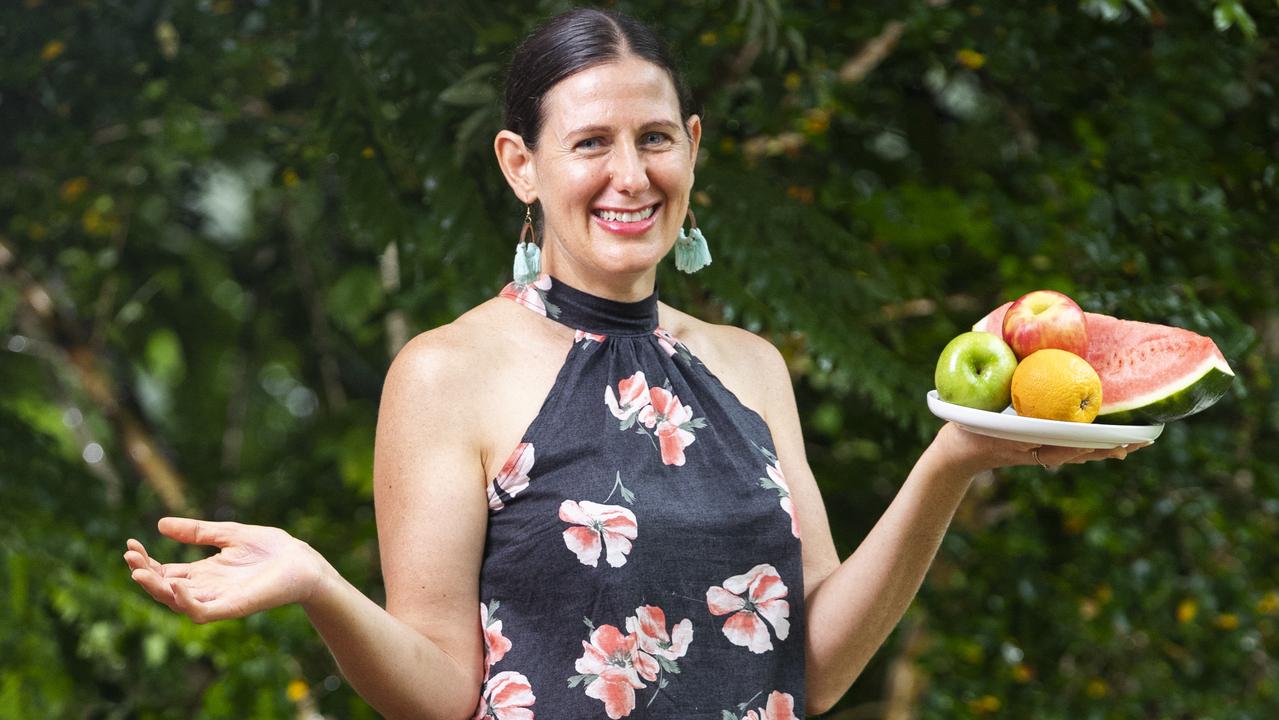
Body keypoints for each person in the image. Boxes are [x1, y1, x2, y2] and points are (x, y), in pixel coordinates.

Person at [123, 8, 1145, 718]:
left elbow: (815, 666)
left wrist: (950, 462)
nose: (630, 174)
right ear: (520, 165)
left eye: (656, 137)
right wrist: (318, 585)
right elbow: (440, 691)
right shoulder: (445, 373)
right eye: (590, 143)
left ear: (693, 149)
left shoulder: (751, 369)